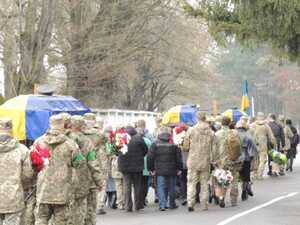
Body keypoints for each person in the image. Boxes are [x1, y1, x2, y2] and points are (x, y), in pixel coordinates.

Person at [34, 114, 82, 225]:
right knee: (61, 221)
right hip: (63, 192)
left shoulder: (38, 143)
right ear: (63, 125)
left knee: (41, 219)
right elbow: (79, 163)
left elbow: (32, 164)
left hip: (43, 190)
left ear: (50, 125)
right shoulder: (71, 144)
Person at [67, 115, 102, 225]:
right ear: (82, 126)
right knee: (86, 210)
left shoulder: (64, 139)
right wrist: (99, 181)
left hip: (65, 181)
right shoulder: (87, 142)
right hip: (83, 180)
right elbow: (93, 162)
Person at [0, 118, 33, 225]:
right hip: (13, 196)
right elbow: (28, 174)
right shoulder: (22, 149)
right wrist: (20, 185)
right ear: (11, 129)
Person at [183, 112, 215, 212]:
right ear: (205, 118)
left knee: (191, 182)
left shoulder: (191, 130)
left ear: (197, 118)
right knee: (204, 183)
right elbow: (214, 148)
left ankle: (190, 202)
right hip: (205, 160)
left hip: (193, 160)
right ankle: (204, 204)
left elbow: (186, 147)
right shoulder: (210, 132)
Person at [148, 127, 183, 211]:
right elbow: (178, 157)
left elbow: (150, 157)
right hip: (172, 169)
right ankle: (172, 204)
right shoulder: (174, 143)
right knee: (172, 187)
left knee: (160, 187)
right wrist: (179, 168)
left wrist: (151, 169)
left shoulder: (155, 143)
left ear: (159, 133)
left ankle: (162, 205)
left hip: (159, 169)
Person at [82, 113, 106, 224]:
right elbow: (106, 146)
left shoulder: (78, 134)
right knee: (92, 198)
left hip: (81, 167)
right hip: (94, 165)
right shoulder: (99, 135)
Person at [118, 126, 148, 212]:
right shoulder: (139, 138)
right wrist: (140, 156)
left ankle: (128, 206)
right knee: (137, 186)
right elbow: (145, 150)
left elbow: (116, 151)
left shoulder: (121, 138)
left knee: (126, 186)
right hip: (137, 166)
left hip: (124, 166)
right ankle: (137, 205)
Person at [213, 116, 241, 207]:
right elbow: (238, 146)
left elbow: (214, 149)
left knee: (221, 179)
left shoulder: (217, 134)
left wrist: (214, 160)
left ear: (221, 123)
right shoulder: (235, 133)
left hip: (221, 161)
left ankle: (221, 197)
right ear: (229, 123)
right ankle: (234, 200)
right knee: (234, 180)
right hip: (233, 160)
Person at [236, 117, 257, 201]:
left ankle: (234, 193)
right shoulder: (248, 135)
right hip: (245, 157)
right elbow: (253, 148)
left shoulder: (234, 134)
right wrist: (252, 156)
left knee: (236, 176)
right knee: (245, 177)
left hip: (235, 158)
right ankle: (244, 191)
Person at [250, 112, 276, 179]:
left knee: (255, 160)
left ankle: (254, 174)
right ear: (263, 117)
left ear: (257, 117)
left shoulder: (252, 125)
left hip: (254, 144)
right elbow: (271, 136)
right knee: (262, 160)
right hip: (263, 144)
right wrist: (274, 144)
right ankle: (260, 174)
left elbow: (249, 134)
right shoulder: (266, 125)